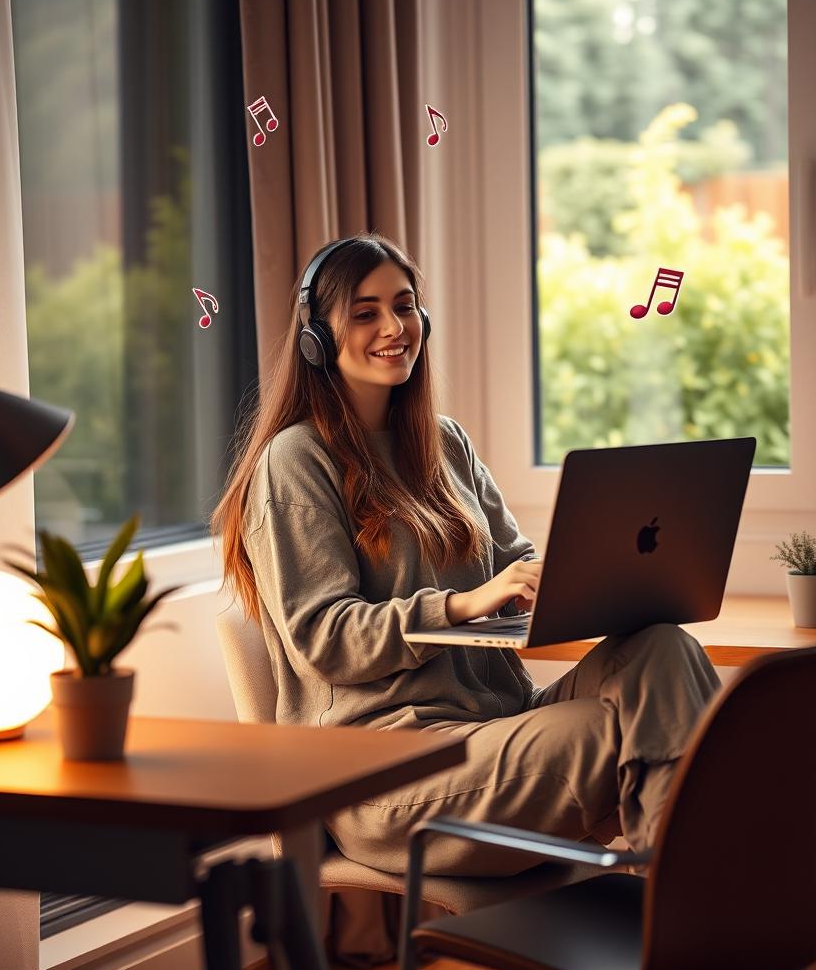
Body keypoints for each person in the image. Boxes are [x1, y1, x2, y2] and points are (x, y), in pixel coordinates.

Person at [211, 231, 721, 884]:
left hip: (496, 723)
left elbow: (519, 560)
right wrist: (460, 606)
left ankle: (685, 898)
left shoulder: (446, 445)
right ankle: (701, 900)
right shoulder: (296, 461)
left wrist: (595, 581)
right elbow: (324, 638)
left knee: (664, 647)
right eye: (365, 312)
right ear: (317, 337)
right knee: (610, 732)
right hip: (387, 766)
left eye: (404, 306)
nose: (393, 326)